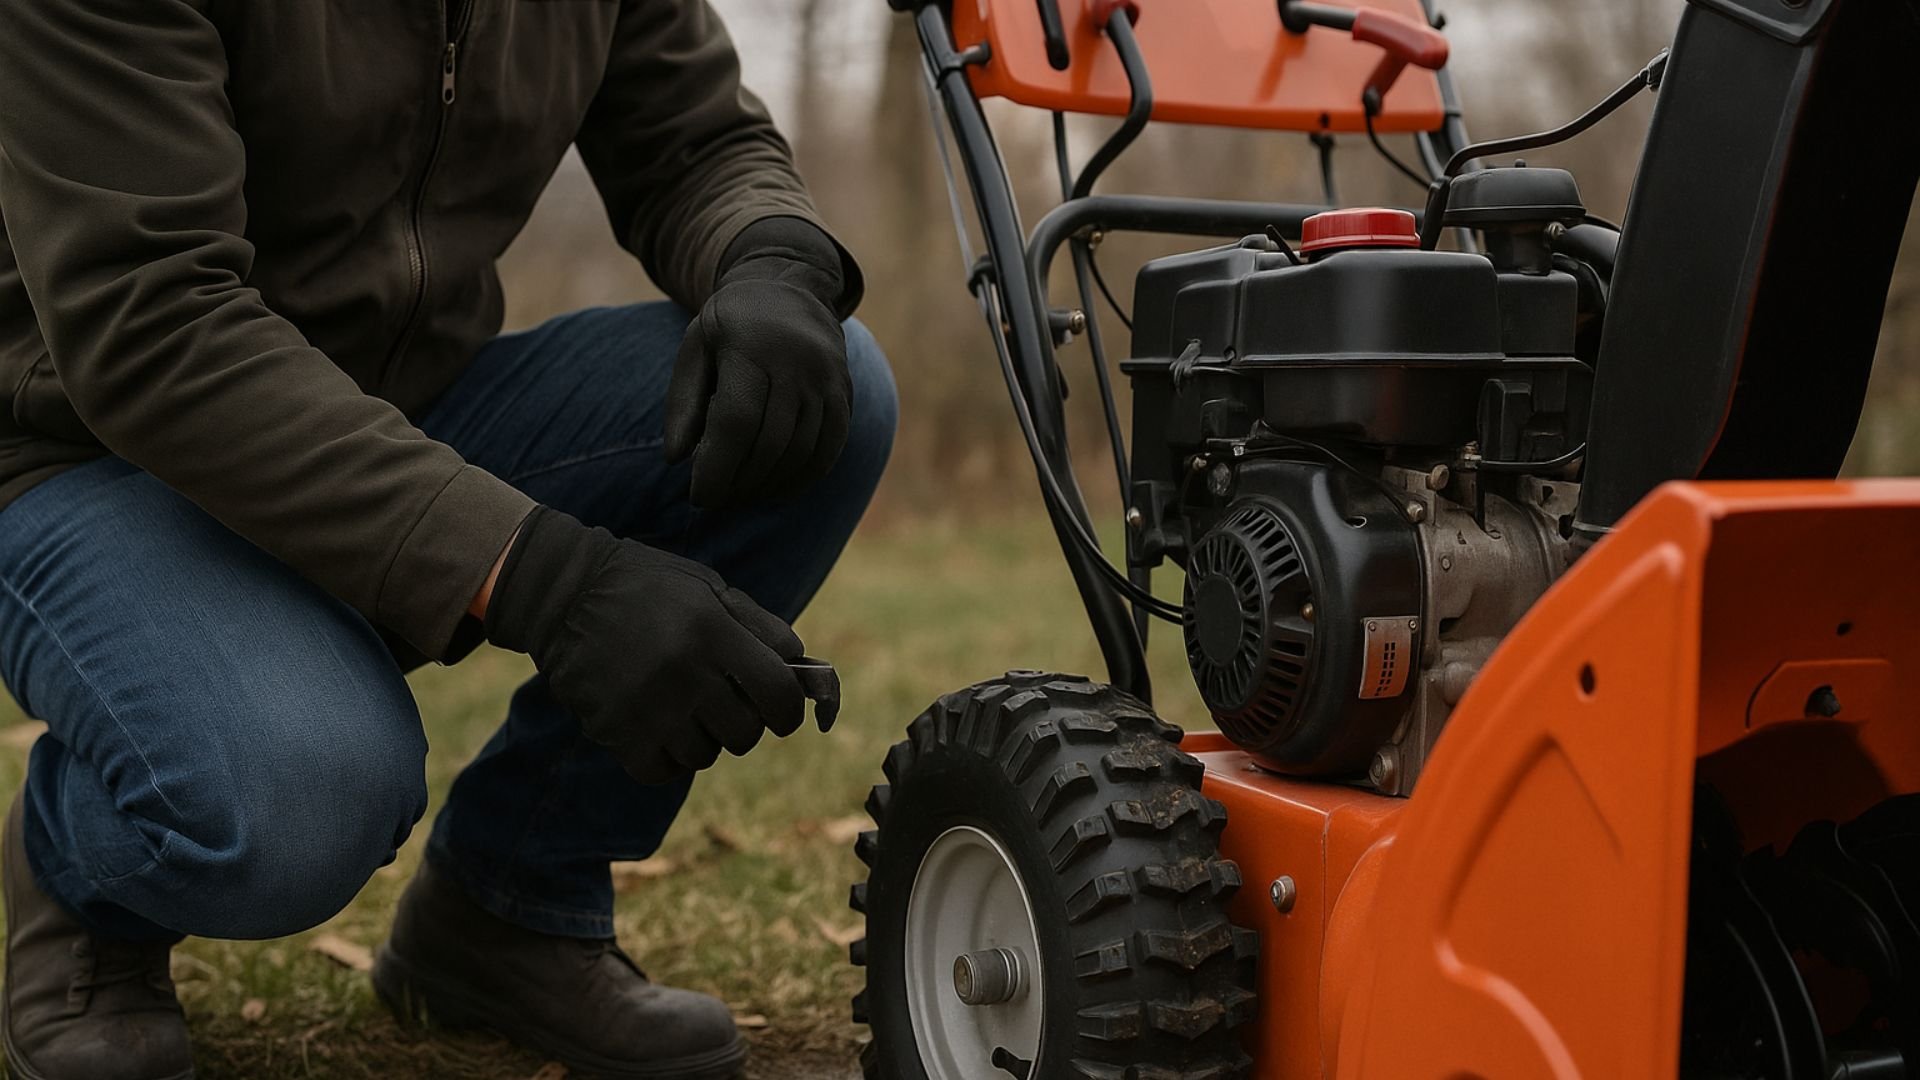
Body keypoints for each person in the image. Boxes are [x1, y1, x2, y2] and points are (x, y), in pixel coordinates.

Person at [0, 2, 896, 1078]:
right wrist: (546, 579)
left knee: (827, 387)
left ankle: (512, 906)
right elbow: (151, 322)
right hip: (90, 452)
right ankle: (80, 881)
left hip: (410, 407)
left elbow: (698, 140)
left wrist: (772, 258)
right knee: (302, 796)